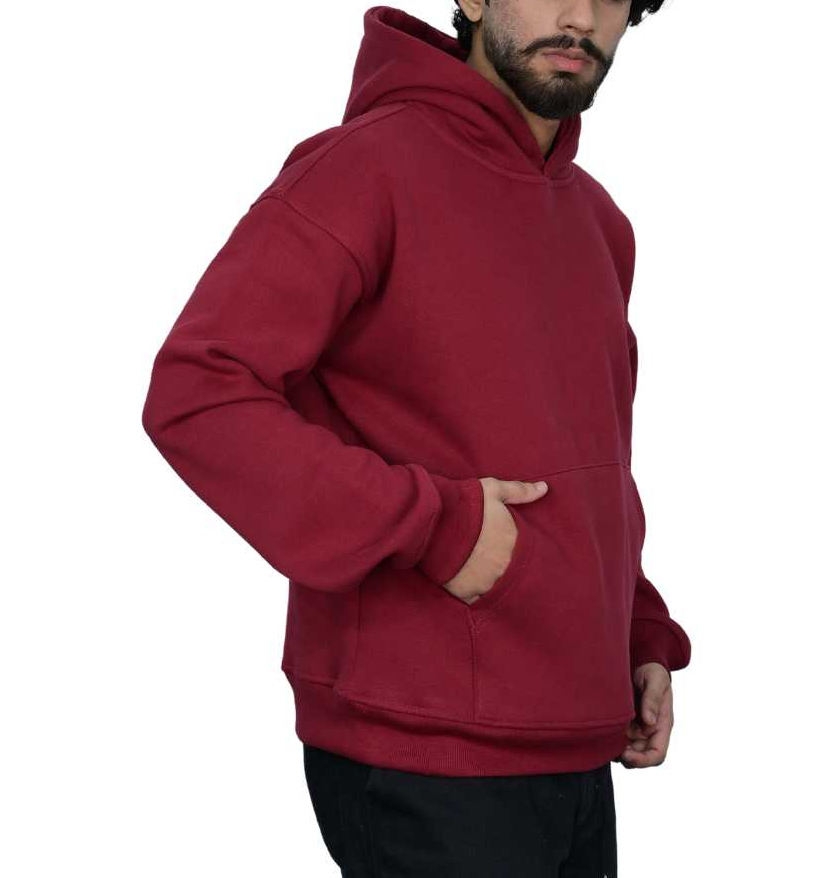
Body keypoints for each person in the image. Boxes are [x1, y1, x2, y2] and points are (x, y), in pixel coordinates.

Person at [141, 2, 692, 874]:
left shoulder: (599, 222)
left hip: (578, 738)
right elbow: (198, 391)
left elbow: (588, 460)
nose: (579, 16)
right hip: (425, 753)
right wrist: (438, 527)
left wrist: (635, 631)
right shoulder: (363, 171)